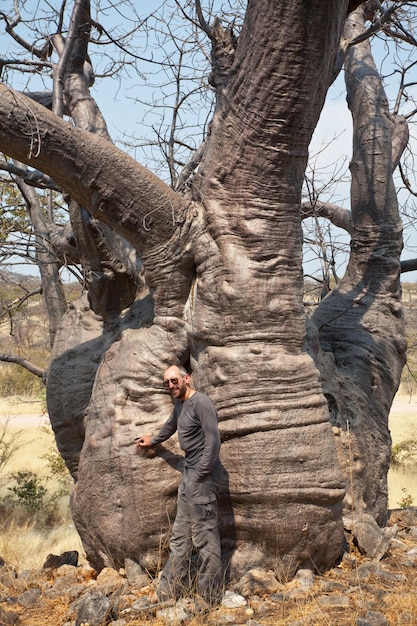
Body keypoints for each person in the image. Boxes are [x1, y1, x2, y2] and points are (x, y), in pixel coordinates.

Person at [136, 364, 223, 606]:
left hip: (202, 480)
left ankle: (210, 598)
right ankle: (169, 591)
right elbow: (171, 424)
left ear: (186, 378)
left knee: (205, 539)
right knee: (180, 537)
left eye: (174, 380)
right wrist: (152, 439)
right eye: (166, 383)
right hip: (189, 476)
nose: (171, 386)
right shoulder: (180, 403)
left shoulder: (201, 402)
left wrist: (198, 477)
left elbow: (214, 444)